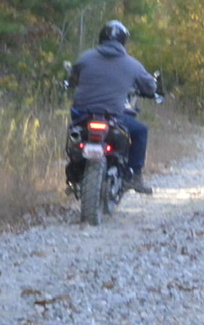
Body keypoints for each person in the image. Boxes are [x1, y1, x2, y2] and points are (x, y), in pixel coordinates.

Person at [68, 19, 159, 194]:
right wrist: (150, 90)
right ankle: (134, 176)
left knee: (75, 135)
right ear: (123, 41)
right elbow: (150, 87)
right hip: (113, 116)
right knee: (140, 131)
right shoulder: (132, 64)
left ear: (101, 38)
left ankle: (74, 167)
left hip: (82, 114)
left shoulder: (85, 57)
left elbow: (73, 78)